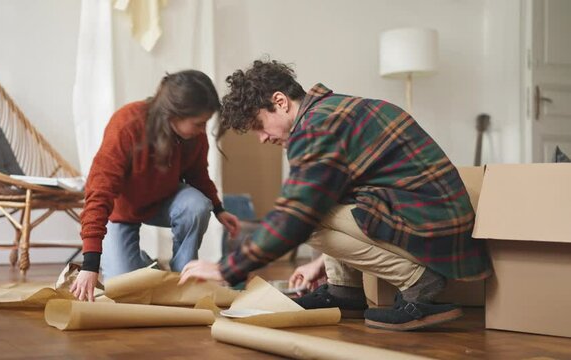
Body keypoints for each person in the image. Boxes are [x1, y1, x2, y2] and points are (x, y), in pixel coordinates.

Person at [179, 59, 492, 331]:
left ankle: (418, 283)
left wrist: (227, 268)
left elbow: (296, 215)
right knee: (320, 200)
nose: (262, 138)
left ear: (281, 101)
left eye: (260, 126)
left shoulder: (316, 129)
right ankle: (344, 291)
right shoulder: (328, 112)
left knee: (308, 217)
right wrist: (323, 265)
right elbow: (338, 193)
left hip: (435, 229)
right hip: (434, 220)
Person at [71, 70, 241, 302]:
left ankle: (184, 276)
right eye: (198, 123)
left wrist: (219, 210)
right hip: (121, 212)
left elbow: (198, 175)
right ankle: (150, 266)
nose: (203, 130)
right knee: (123, 289)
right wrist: (90, 264)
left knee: (198, 206)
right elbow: (98, 192)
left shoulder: (194, 137)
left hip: (164, 200)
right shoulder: (127, 124)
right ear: (174, 115)